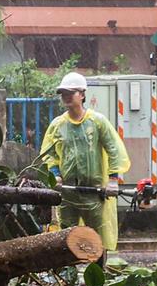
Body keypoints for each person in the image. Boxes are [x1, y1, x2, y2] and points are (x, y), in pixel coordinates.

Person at [38, 71, 128, 250]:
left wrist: (112, 179)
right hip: (67, 192)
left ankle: (98, 272)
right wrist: (54, 174)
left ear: (82, 94)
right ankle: (67, 274)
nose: (67, 97)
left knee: (97, 238)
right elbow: (48, 154)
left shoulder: (97, 122)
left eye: (71, 93)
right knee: (66, 238)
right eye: (64, 93)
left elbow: (114, 150)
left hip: (93, 192)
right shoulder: (58, 125)